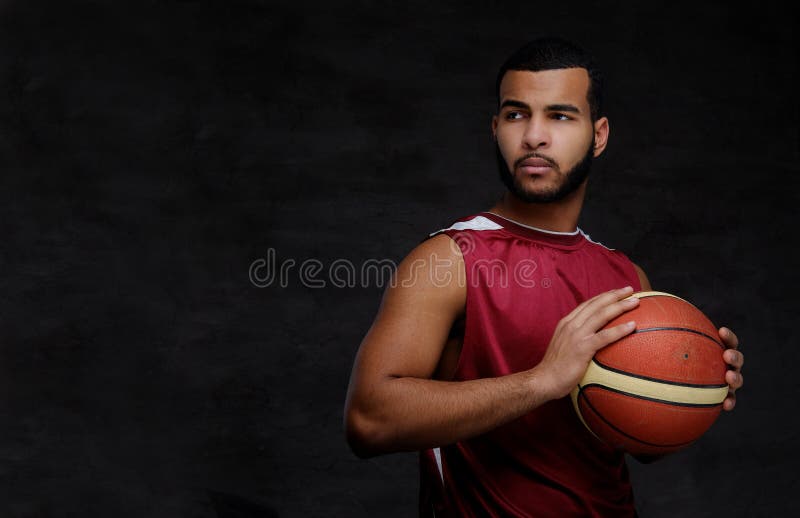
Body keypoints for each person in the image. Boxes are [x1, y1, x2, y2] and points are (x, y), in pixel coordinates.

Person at [343, 36, 744, 517]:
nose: (533, 136)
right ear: (495, 128)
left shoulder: (625, 274)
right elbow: (368, 422)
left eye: (559, 115)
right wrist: (541, 381)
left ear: (598, 135)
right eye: (516, 115)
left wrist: (694, 386)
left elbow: (641, 442)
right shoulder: (448, 259)